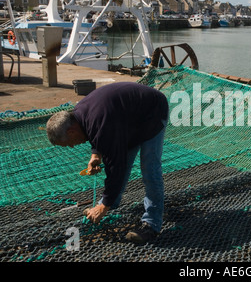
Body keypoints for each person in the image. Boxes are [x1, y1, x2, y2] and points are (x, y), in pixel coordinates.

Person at [46, 82, 169, 244]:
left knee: (149, 168)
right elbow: (95, 131)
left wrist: (103, 206)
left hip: (152, 111)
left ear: (71, 131)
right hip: (128, 119)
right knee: (122, 162)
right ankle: (111, 202)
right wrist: (95, 155)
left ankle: (152, 224)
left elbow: (116, 167)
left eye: (69, 142)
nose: (72, 146)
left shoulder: (100, 122)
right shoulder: (79, 116)